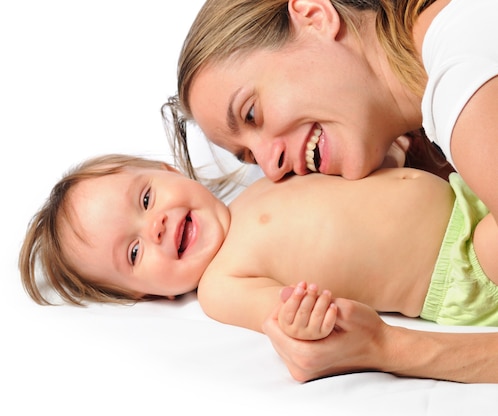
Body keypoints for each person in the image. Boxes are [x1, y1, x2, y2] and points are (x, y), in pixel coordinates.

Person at [162, 0, 498, 382]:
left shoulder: (465, 79)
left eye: (252, 113)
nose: (271, 167)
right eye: (249, 158)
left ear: (314, 16)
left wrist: (387, 349)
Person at [18, 154, 498, 343]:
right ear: (146, 295)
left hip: (464, 190)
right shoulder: (221, 287)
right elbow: (284, 318)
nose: (157, 226)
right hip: (462, 266)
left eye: (146, 199)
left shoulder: (261, 177)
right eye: (135, 253)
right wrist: (299, 321)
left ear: (166, 168)